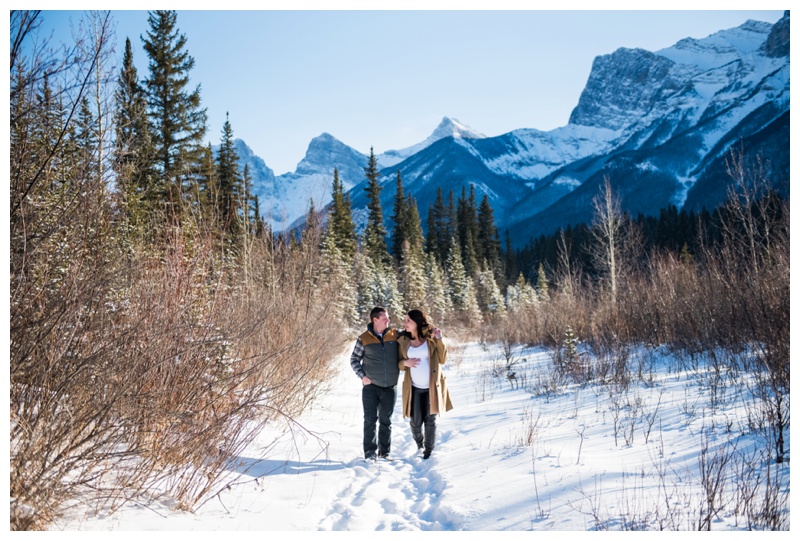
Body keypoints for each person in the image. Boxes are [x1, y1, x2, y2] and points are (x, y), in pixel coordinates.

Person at [397, 309, 453, 459]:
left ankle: (428, 451)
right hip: (414, 388)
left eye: (408, 320)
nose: (405, 323)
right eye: (405, 320)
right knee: (415, 422)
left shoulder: (431, 339)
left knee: (430, 420)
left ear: (417, 322)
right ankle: (419, 444)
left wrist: (440, 339)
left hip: (432, 388)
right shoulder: (403, 341)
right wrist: (405, 363)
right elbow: (398, 363)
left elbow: (442, 359)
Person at [349, 306, 402, 461]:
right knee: (370, 420)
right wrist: (362, 376)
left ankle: (384, 453)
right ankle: (370, 453)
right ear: (375, 320)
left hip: (390, 386)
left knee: (386, 421)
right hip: (371, 387)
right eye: (385, 318)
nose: (388, 320)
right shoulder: (364, 338)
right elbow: (354, 360)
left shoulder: (395, 335)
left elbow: (413, 337)